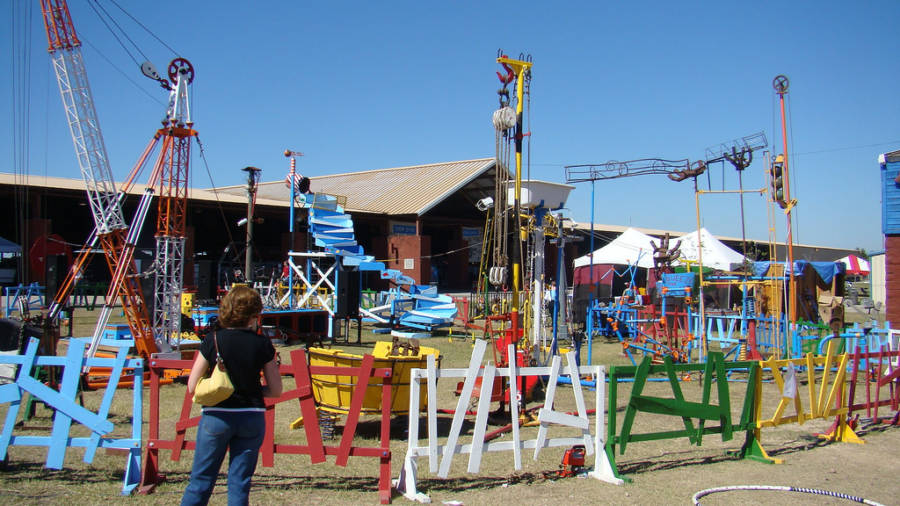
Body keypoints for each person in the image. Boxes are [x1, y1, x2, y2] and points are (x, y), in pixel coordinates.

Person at [181, 285, 282, 506]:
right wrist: (253, 390)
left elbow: (192, 386)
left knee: (201, 480)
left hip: (217, 415)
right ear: (255, 314)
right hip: (251, 415)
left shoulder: (213, 339)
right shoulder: (263, 344)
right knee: (239, 483)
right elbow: (275, 390)